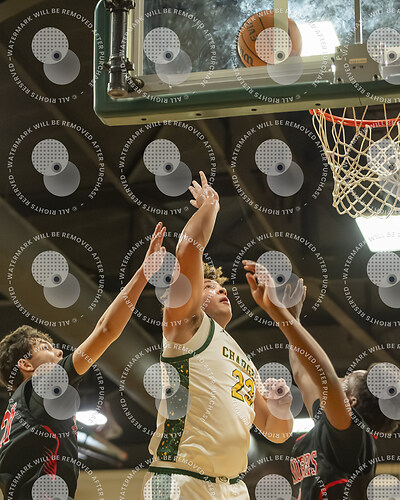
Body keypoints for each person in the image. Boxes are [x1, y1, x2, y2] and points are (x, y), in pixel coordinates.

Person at [145, 172, 293, 500]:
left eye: (221, 286)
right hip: (181, 479)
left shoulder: (242, 358)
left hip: (233, 486)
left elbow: (275, 432)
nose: (222, 290)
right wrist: (210, 206)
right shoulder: (186, 328)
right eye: (209, 286)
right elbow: (188, 249)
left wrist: (282, 406)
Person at [0, 222, 167, 500]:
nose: (58, 353)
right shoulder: (41, 386)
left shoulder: (18, 409)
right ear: (26, 365)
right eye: (45, 348)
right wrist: (143, 274)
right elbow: (106, 330)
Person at [244, 262, 399, 499]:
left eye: (347, 378)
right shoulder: (328, 425)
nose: (342, 377)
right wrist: (293, 318)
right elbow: (302, 373)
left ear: (351, 401)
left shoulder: (352, 435)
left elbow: (325, 377)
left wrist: (278, 313)